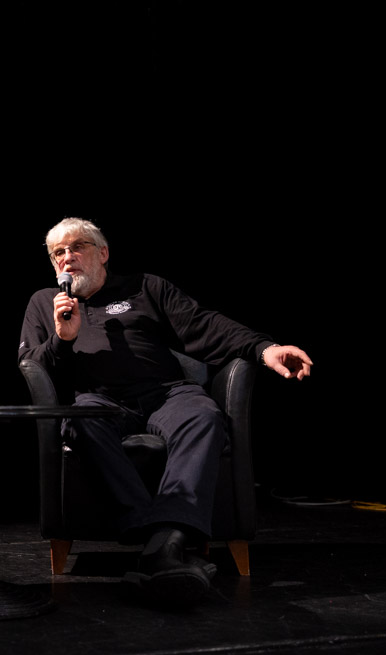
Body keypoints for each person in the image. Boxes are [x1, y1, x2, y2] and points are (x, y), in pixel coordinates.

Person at [18, 217, 311, 607]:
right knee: (80, 421)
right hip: (100, 401)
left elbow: (204, 325)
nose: (67, 257)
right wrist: (62, 339)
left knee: (204, 416)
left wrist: (263, 348)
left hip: (166, 393)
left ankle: (161, 541)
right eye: (58, 252)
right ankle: (162, 541)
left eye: (77, 247)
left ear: (103, 253)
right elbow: (32, 366)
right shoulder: (44, 303)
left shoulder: (145, 287)